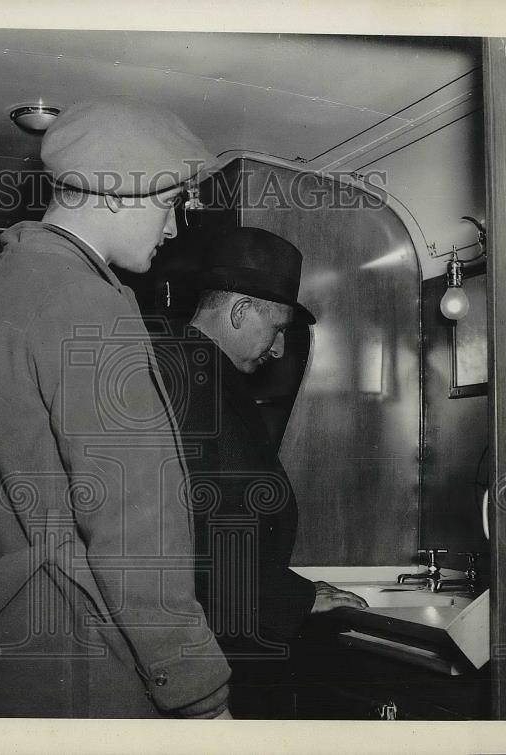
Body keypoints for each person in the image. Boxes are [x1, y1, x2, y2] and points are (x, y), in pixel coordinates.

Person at [0, 96, 233, 718]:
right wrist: (197, 687)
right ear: (119, 194)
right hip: (89, 659)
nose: (172, 229)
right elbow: (134, 519)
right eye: (169, 203)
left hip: (0, 656)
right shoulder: (86, 305)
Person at [152, 226, 368, 718]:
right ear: (240, 311)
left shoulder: (196, 370)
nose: (275, 350)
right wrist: (294, 597)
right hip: (212, 647)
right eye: (276, 330)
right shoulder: (193, 380)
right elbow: (197, 529)